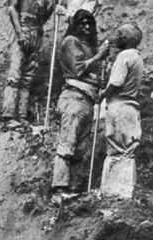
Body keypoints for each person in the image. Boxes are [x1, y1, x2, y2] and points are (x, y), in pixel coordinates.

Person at [51, 10, 109, 200]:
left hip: (88, 101)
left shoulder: (89, 46)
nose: (86, 27)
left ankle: (73, 188)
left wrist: (100, 76)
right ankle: (59, 188)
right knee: (68, 144)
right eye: (82, 23)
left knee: (81, 149)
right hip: (74, 98)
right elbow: (78, 69)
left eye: (89, 23)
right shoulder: (70, 42)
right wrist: (99, 56)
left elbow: (92, 73)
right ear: (75, 25)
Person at [98, 22, 144, 198]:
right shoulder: (137, 56)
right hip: (130, 108)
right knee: (127, 152)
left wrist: (102, 94)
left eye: (119, 34)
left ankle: (114, 193)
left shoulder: (124, 55)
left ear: (126, 39)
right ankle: (125, 192)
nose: (116, 37)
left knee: (117, 150)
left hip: (119, 106)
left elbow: (116, 83)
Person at [0, 0, 58, 124]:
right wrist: (19, 33)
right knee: (15, 74)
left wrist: (53, 5)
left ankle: (21, 115)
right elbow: (12, 9)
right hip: (23, 30)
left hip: (37, 35)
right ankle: (8, 115)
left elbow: (43, 17)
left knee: (28, 77)